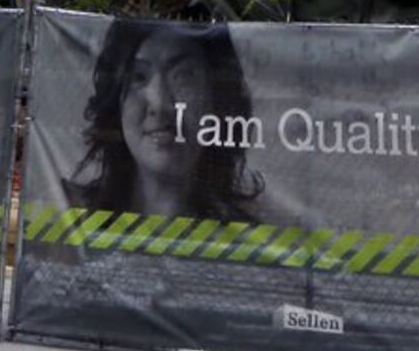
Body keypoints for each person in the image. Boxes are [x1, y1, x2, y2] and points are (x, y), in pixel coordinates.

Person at [68, 18, 270, 221]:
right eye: (139, 77)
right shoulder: (66, 217)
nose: (159, 103)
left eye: (183, 76)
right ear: (115, 101)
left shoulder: (251, 239)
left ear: (216, 95)